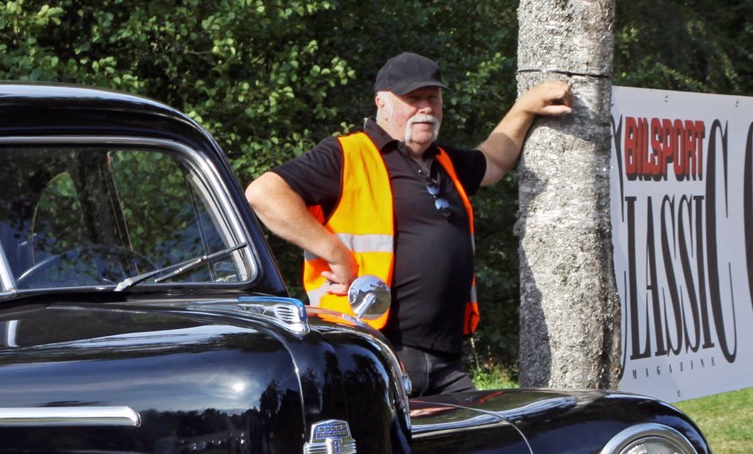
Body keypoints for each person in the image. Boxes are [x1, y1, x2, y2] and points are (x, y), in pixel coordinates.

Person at [245, 52, 572, 395]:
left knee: (467, 444)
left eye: (433, 98)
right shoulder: (349, 153)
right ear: (381, 103)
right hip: (373, 351)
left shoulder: (443, 160)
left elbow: (493, 160)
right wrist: (335, 252)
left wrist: (524, 108)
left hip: (445, 362)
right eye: (413, 99)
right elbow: (264, 193)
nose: (426, 108)